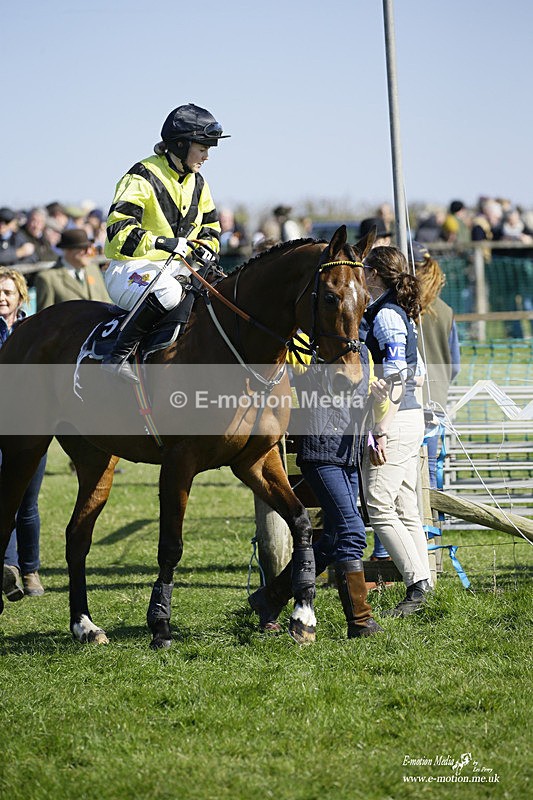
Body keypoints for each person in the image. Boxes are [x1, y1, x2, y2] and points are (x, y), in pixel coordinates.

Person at [248, 341, 390, 640]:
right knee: (352, 532)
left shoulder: (364, 353)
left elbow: (375, 405)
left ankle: (270, 598)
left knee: (336, 537)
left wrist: (380, 399)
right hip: (319, 455)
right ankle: (360, 621)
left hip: (350, 456)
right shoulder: (301, 348)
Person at [101, 102, 228, 383]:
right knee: (169, 292)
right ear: (181, 145)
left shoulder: (199, 182)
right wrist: (162, 243)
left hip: (178, 269)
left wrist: (207, 247)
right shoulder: (141, 176)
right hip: (130, 268)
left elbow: (211, 227)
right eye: (203, 148)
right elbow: (118, 230)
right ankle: (118, 356)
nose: (207, 156)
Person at [360, 246, 432, 618]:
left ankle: (417, 586)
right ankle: (426, 586)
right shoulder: (398, 312)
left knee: (378, 503)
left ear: (373, 275)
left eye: (363, 269)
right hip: (409, 416)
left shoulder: (386, 315)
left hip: (395, 420)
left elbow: (397, 375)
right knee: (405, 506)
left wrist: (382, 430)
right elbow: (415, 372)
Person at [0, 267, 46, 599]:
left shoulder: (35, 330)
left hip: (31, 424)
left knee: (27, 502)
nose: (1, 298)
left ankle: (31, 570)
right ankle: (10, 568)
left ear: (20, 297)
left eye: (7, 293)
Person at [412, 241, 460, 488]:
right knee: (431, 467)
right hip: (436, 400)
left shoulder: (404, 309)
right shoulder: (446, 311)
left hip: (407, 399)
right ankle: (432, 527)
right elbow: (456, 365)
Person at [34, 228, 110, 311]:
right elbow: (45, 318)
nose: (89, 253)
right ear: (68, 250)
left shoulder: (93, 270)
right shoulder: (48, 279)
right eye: (83, 249)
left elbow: (107, 303)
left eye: (90, 248)